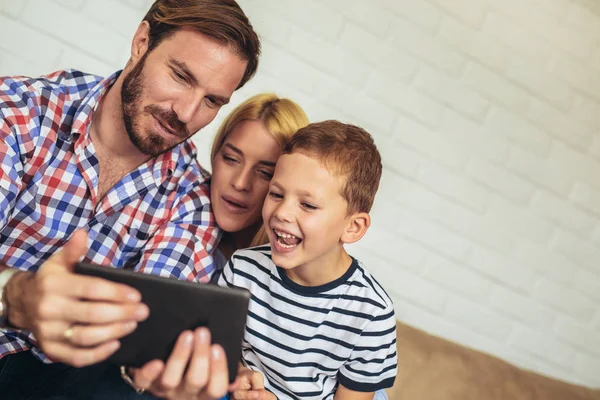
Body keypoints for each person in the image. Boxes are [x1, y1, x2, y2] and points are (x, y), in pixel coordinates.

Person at [0, 0, 260, 398]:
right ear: (141, 42)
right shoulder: (21, 113)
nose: (186, 113)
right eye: (180, 76)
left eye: (211, 101)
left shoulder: (191, 199)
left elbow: (147, 344)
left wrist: (160, 369)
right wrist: (17, 297)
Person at [217, 121, 398, 399]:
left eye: (308, 205)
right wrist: (240, 376)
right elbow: (223, 351)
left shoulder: (370, 313)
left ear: (352, 227)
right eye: (276, 194)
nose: (282, 213)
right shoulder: (243, 269)